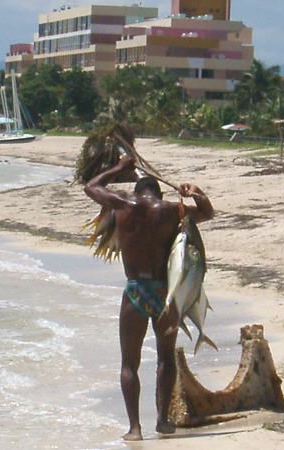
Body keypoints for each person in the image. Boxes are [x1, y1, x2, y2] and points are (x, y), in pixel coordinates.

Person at [84, 155, 214, 440]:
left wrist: (119, 168)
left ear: (136, 190)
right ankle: (163, 421)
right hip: (163, 292)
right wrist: (195, 193)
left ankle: (134, 428)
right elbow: (207, 213)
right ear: (159, 192)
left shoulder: (123, 205)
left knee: (129, 363)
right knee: (165, 358)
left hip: (136, 291)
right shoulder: (171, 210)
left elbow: (91, 186)